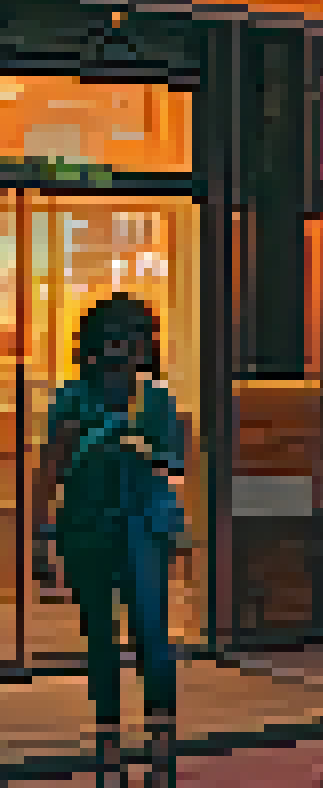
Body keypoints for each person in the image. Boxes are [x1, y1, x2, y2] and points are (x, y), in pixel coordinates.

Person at [29, 295, 188, 785]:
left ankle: (161, 732)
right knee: (99, 633)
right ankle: (108, 734)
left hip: (143, 525)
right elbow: (50, 467)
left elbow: (173, 463)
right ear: (95, 345)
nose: (123, 348)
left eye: (133, 338)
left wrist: (127, 440)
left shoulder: (157, 398)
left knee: (150, 631)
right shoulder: (73, 396)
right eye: (113, 338)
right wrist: (40, 533)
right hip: (87, 525)